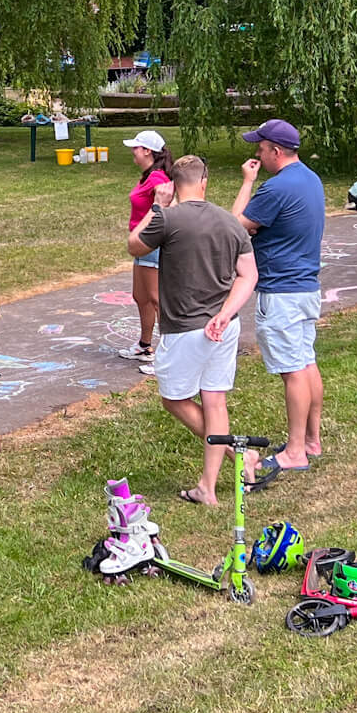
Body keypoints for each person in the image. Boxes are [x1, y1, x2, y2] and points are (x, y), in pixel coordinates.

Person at [129, 155, 258, 505]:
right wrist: (225, 313)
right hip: (224, 325)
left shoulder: (167, 219)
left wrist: (156, 206)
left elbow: (134, 246)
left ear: (173, 183)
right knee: (215, 400)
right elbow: (248, 275)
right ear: (205, 181)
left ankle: (234, 458)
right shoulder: (230, 223)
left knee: (174, 399)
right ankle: (209, 486)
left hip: (185, 327)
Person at [231, 120, 326, 474]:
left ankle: (296, 451)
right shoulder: (311, 179)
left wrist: (247, 182)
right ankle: (311, 440)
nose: (257, 153)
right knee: (305, 362)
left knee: (293, 372)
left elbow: (233, 224)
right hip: (305, 287)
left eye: (261, 147)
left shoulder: (276, 188)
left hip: (281, 291)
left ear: (275, 150)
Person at [118, 130, 174, 365]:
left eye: (136, 147)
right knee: (140, 296)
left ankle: (168, 353)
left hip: (153, 244)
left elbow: (170, 206)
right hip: (142, 244)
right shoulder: (147, 176)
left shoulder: (158, 179)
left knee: (156, 298)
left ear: (147, 151)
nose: (133, 151)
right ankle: (144, 345)